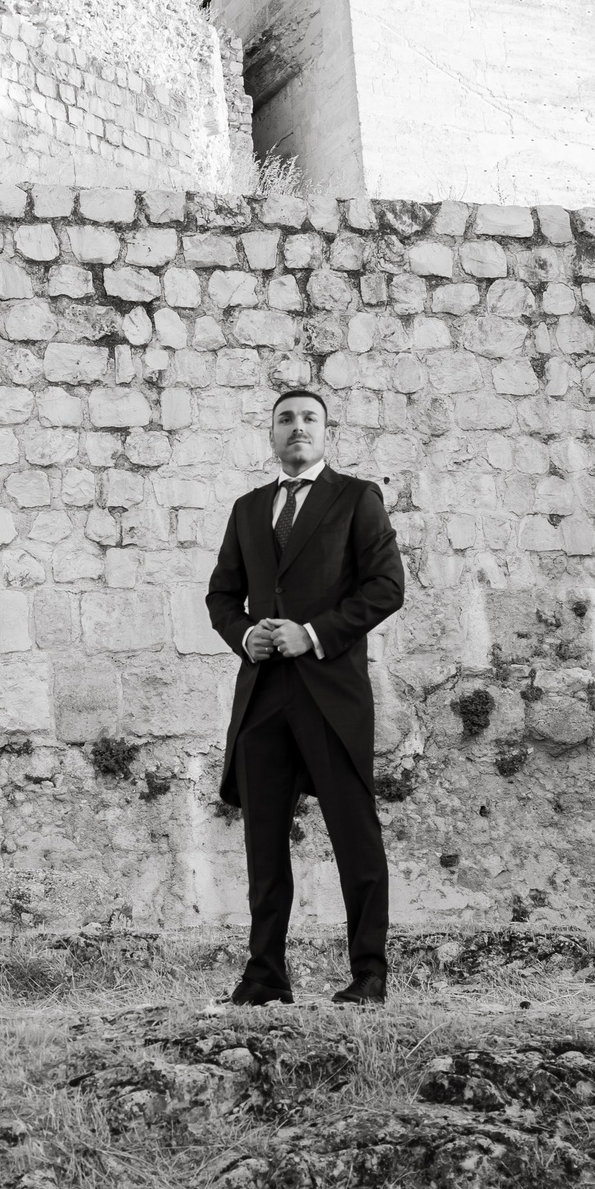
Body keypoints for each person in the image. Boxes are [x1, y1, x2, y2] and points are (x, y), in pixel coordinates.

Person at [205, 387, 406, 1005]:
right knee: (263, 842)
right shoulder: (247, 510)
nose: (297, 427)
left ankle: (368, 974)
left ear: (326, 433)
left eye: (309, 419)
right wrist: (248, 637)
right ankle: (265, 975)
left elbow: (386, 587)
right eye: (285, 419)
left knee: (355, 836)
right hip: (263, 695)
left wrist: (311, 634)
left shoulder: (356, 498)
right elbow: (220, 597)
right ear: (271, 434)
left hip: (331, 693)